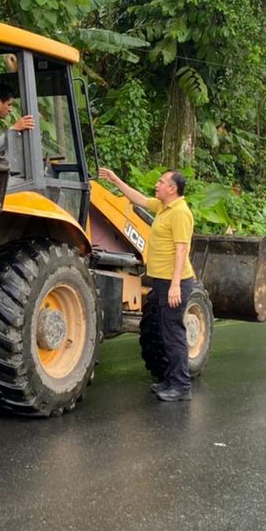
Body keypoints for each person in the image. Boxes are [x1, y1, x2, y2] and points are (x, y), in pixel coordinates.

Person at [97, 166, 196, 402]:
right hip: (161, 280)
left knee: (173, 333)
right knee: (163, 331)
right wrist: (115, 180)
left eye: (161, 182)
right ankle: (170, 380)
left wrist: (174, 285)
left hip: (175, 282)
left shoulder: (180, 213)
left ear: (172, 188)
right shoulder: (163, 206)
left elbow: (182, 250)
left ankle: (181, 386)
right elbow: (138, 199)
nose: (156, 184)